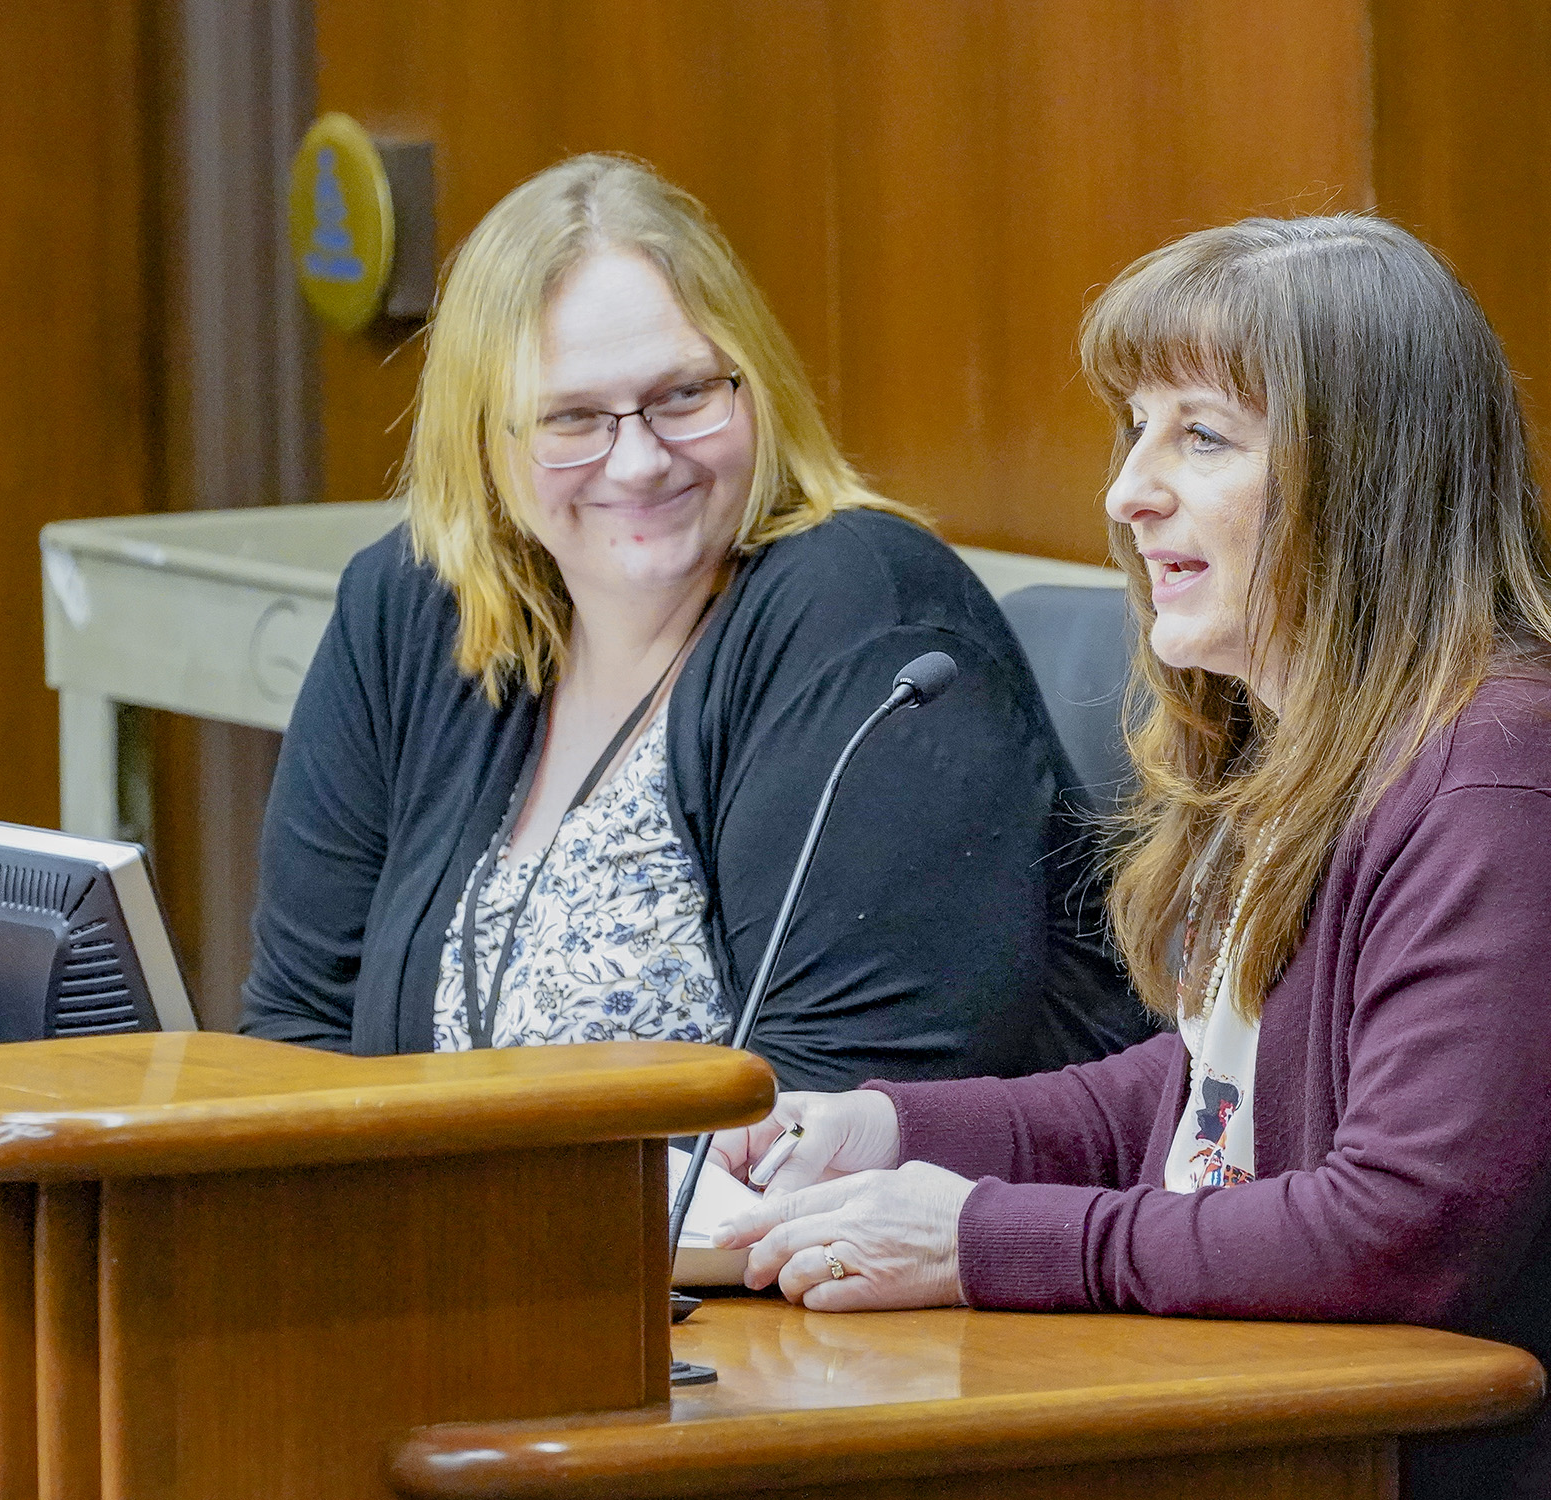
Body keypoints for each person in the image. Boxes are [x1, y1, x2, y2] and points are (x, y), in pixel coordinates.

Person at [713, 215, 1551, 1498]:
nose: (1128, 488)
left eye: (1201, 436)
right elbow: (1212, 1095)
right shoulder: (1320, 748)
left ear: (1364, 478)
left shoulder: (1515, 790)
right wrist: (883, 1129)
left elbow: (1399, 1236)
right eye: (1134, 427)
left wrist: (981, 1240)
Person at [239, 154, 1151, 1088]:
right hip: (458, 1229)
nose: (637, 462)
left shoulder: (861, 611)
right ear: (484, 440)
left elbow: (848, 1113)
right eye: (571, 416)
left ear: (756, 386)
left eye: (683, 395)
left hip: (796, 1230)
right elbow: (300, 1028)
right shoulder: (413, 608)